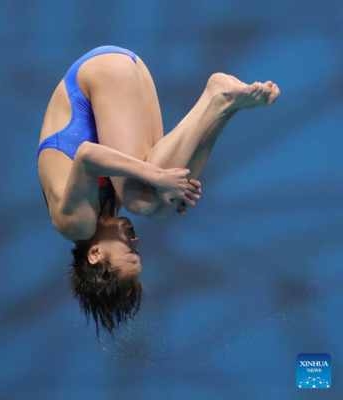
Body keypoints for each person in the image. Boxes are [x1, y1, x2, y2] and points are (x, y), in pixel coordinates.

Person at [36, 45, 280, 338]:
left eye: (129, 252)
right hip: (126, 71)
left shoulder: (74, 223)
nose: (136, 241)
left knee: (141, 199)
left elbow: (87, 155)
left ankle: (218, 99)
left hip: (97, 75)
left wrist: (159, 176)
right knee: (162, 205)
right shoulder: (106, 215)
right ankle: (224, 109)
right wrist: (172, 185)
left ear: (95, 255)